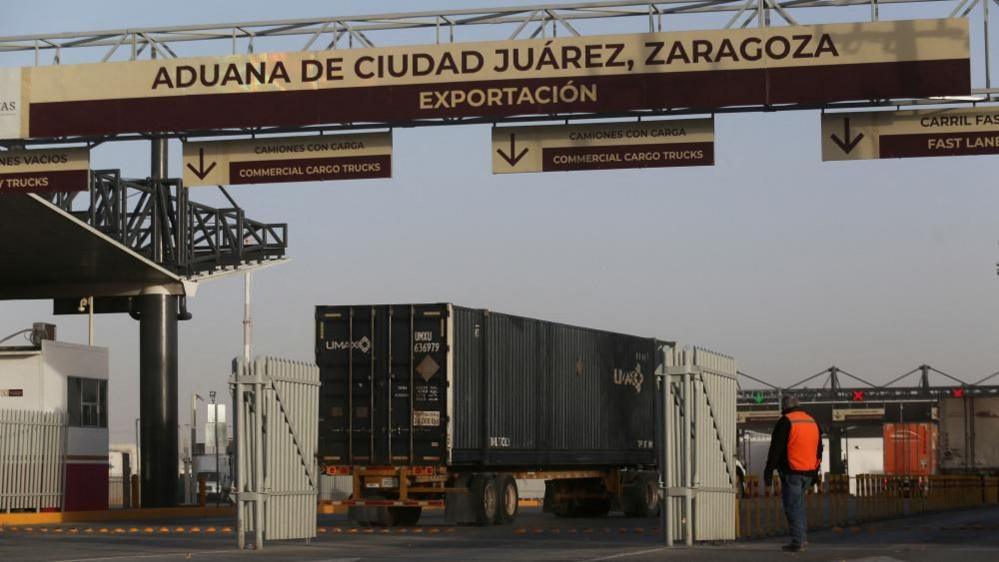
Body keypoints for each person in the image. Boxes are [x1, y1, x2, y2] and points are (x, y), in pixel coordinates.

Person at [764, 395, 823, 552]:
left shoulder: (785, 422)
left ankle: (798, 541)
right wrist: (816, 472)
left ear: (784, 407)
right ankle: (801, 539)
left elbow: (775, 450)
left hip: (792, 472)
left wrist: (768, 473)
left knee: (792, 507)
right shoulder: (812, 421)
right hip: (808, 473)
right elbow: (819, 450)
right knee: (799, 505)